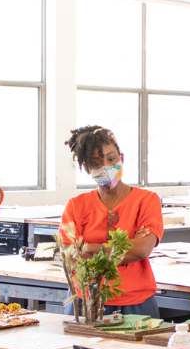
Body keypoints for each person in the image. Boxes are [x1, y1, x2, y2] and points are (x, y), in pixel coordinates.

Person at [60, 125, 162, 318]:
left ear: (121, 159)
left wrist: (88, 247)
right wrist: (125, 249)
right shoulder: (76, 206)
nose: (105, 167)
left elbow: (141, 250)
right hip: (86, 300)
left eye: (111, 159)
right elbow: (71, 258)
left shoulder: (147, 200)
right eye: (96, 163)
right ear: (88, 168)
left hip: (136, 302)